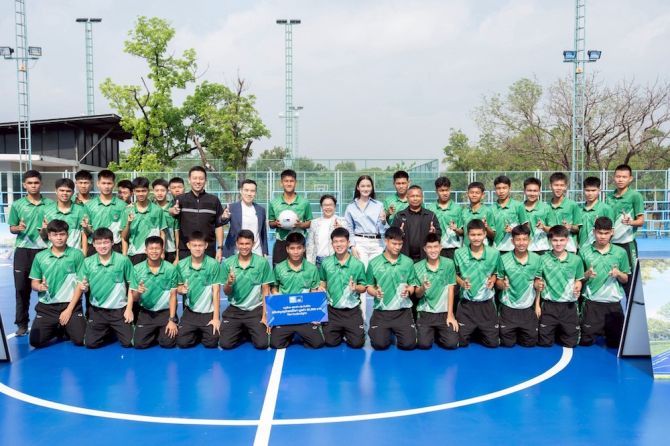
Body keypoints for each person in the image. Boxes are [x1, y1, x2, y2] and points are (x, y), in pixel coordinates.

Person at [76, 228, 138, 348]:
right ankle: (108, 329)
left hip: (119, 310)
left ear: (112, 242)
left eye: (106, 242)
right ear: (93, 244)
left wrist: (129, 309)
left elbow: (132, 285)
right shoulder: (87, 262)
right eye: (99, 243)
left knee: (129, 342)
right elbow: (84, 286)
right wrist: (84, 288)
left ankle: (114, 328)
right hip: (97, 311)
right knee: (90, 343)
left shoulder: (123, 260)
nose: (102, 246)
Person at [8, 170, 54, 336]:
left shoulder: (50, 204)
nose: (33, 186)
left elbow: (54, 229)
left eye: (36, 182)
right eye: (30, 183)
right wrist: (18, 228)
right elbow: (12, 228)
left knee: (49, 287)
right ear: (24, 185)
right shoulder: (18, 205)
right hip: (23, 251)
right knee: (21, 289)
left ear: (41, 184)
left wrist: (46, 229)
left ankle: (52, 322)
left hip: (44, 250)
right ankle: (22, 324)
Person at [28, 219, 86, 347]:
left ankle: (66, 325)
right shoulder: (40, 257)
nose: (59, 238)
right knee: (36, 341)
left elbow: (80, 284)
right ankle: (58, 327)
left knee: (80, 339)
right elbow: (34, 283)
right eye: (55, 235)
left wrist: (69, 310)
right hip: (47, 307)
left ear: (67, 235)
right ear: (49, 236)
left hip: (71, 305)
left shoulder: (77, 255)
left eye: (62, 234)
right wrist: (40, 287)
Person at [579, 217, 630, 348]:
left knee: (616, 344)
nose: (602, 236)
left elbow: (625, 279)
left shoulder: (621, 252)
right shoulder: (584, 252)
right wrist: (586, 275)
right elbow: (578, 279)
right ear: (594, 232)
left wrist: (618, 274)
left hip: (613, 305)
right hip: (592, 304)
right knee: (585, 342)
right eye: (599, 233)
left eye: (606, 233)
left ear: (612, 232)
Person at [365, 227, 419, 350]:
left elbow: (412, 285)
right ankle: (384, 330)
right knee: (379, 345)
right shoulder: (374, 263)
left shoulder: (408, 262)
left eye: (400, 244)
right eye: (394, 243)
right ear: (386, 241)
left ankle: (396, 329)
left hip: (402, 312)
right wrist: (375, 292)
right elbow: (369, 287)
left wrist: (408, 291)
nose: (397, 247)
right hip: (381, 312)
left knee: (409, 345)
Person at [269, 232, 325, 349]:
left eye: (299, 248)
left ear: (304, 249)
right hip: (285, 315)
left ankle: (300, 333)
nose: (296, 252)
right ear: (287, 249)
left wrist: (315, 314)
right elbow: (274, 287)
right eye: (292, 248)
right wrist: (275, 294)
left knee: (317, 343)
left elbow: (314, 291)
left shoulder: (312, 269)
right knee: (275, 344)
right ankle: (291, 334)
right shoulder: (279, 268)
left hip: (304, 315)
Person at [219, 230, 274, 350]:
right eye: (241, 244)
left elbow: (266, 291)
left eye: (247, 243)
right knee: (225, 344)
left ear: (253, 244)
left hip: (255, 310)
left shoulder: (262, 263)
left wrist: (265, 316)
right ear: (236, 244)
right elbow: (227, 292)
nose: (244, 247)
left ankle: (246, 328)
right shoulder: (228, 263)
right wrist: (229, 283)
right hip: (235, 310)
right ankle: (243, 329)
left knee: (262, 344)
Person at [535, 225, 584, 348]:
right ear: (549, 241)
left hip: (569, 306)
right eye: (555, 240)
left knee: (571, 343)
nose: (558, 243)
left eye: (562, 240)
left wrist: (578, 286)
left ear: (567, 240)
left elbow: (579, 280)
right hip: (549, 305)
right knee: (544, 343)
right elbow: (538, 283)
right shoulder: (542, 259)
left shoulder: (576, 260)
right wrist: (537, 305)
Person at [453, 219, 500, 348]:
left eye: (479, 234)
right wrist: (462, 283)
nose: (476, 238)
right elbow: (454, 274)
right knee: (461, 342)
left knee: (493, 343)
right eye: (473, 235)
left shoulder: (494, 253)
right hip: (467, 304)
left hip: (487, 303)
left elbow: (496, 273)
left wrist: (492, 280)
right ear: (468, 235)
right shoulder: (458, 253)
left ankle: (481, 329)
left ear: (485, 234)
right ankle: (473, 328)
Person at [319, 227, 367, 348]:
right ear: (332, 244)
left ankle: (350, 329)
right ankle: (341, 330)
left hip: (352, 311)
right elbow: (323, 281)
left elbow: (364, 287)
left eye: (342, 241)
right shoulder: (326, 263)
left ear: (348, 243)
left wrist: (356, 287)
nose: (339, 244)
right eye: (335, 242)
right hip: (333, 311)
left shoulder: (358, 264)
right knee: (330, 342)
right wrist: (321, 287)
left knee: (357, 344)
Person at [495, 225, 543, 347]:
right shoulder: (503, 258)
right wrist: (503, 285)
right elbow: (498, 282)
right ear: (512, 241)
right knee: (507, 343)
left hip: (528, 307)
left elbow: (537, 282)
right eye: (518, 240)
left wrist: (537, 305)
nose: (521, 243)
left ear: (529, 240)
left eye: (524, 239)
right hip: (508, 307)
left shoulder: (537, 259)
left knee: (530, 343)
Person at [176, 231, 222, 348]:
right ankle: (196, 330)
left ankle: (201, 330)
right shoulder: (181, 265)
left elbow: (216, 292)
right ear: (188, 246)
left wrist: (216, 318)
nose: (197, 248)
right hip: (190, 312)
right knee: (182, 342)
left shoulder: (213, 264)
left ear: (206, 245)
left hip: (208, 312)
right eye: (194, 245)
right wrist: (181, 290)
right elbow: (178, 288)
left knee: (212, 342)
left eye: (200, 245)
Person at [132, 236, 180, 349]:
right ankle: (155, 331)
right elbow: (134, 298)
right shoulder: (137, 269)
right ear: (146, 250)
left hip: (165, 313)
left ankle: (161, 331)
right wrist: (138, 292)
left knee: (168, 343)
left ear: (162, 250)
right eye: (151, 248)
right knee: (139, 344)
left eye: (157, 248)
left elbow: (173, 296)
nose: (154, 251)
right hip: (146, 313)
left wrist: (172, 319)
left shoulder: (171, 269)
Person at [169, 166, 225, 261]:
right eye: (194, 178)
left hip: (208, 249)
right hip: (185, 249)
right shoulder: (180, 199)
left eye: (201, 178)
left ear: (205, 180)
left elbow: (219, 225)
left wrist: (220, 248)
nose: (198, 181)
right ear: (189, 180)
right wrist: (172, 211)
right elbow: (172, 211)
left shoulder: (214, 200)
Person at [414, 233, 459, 350]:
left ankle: (438, 332)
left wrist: (450, 315)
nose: (433, 250)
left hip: (443, 313)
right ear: (424, 249)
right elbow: (417, 294)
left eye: (435, 246)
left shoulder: (449, 264)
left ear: (440, 247)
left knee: (451, 343)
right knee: (424, 344)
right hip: (425, 313)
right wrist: (423, 288)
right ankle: (429, 332)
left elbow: (451, 289)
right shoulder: (417, 267)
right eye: (429, 247)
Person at [268, 169, 313, 266]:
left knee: (300, 271)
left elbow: (309, 223)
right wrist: (276, 223)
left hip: (298, 243)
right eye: (286, 181)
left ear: (295, 182)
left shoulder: (304, 202)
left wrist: (300, 225)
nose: (289, 184)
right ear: (281, 183)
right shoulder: (274, 203)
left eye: (291, 181)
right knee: (278, 271)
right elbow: (270, 223)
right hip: (281, 242)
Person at [606, 164, 645, 273]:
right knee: (612, 274)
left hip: (628, 243)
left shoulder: (635, 196)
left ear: (630, 178)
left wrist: (630, 222)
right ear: (614, 177)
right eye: (618, 176)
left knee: (632, 274)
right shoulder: (609, 197)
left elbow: (641, 221)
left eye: (624, 177)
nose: (620, 179)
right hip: (611, 243)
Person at [121, 177, 167, 265]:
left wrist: (162, 252)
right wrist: (128, 223)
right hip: (134, 253)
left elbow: (162, 233)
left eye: (143, 191)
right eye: (138, 191)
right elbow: (123, 237)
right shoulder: (127, 211)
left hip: (153, 253)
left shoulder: (157, 210)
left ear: (148, 191)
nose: (141, 194)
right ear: (133, 192)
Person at [344, 175, 387, 267]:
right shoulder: (350, 207)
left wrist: (383, 221)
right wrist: (352, 246)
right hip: (359, 243)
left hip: (377, 243)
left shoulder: (379, 205)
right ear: (358, 187)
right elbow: (349, 229)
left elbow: (382, 229)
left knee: (376, 271)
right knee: (362, 270)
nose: (366, 189)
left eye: (368, 186)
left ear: (372, 188)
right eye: (363, 186)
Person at [84, 169, 128, 256]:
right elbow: (85, 233)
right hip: (95, 246)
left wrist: (124, 254)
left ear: (114, 184)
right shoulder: (89, 205)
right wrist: (84, 254)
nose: (106, 186)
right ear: (98, 184)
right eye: (103, 183)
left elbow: (124, 233)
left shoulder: (123, 205)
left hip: (115, 246)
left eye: (109, 183)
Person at [391, 185, 441, 262]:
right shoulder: (399, 216)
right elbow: (391, 236)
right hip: (404, 257)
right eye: (412, 196)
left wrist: (434, 233)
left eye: (418, 196)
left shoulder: (431, 215)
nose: (415, 198)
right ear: (407, 198)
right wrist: (398, 233)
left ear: (422, 198)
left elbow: (439, 234)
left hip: (425, 257)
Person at [220, 179, 269, 259]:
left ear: (255, 193)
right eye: (246, 190)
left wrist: (265, 251)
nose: (249, 194)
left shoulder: (261, 210)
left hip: (256, 251)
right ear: (241, 191)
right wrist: (223, 217)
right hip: (236, 252)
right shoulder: (232, 207)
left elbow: (263, 232)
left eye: (252, 191)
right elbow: (221, 222)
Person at [41, 178, 89, 252]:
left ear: (73, 192)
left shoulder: (81, 210)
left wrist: (84, 255)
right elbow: (43, 236)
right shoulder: (46, 210)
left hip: (74, 253)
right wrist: (44, 229)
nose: (65, 193)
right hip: (53, 254)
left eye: (68, 191)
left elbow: (84, 235)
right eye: (62, 190)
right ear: (56, 191)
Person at [426, 176, 462, 259]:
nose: (445, 193)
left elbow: (462, 232)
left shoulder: (457, 208)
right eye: (441, 190)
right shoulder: (430, 209)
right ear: (436, 191)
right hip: (435, 248)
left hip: (453, 248)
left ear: (450, 190)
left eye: (447, 190)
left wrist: (456, 229)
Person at [306, 194, 346, 267]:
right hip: (318, 261)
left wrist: (341, 229)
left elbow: (347, 241)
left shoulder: (342, 221)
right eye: (325, 205)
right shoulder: (314, 223)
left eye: (330, 205)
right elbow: (310, 244)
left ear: (335, 206)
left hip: (335, 261)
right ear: (321, 207)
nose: (328, 207)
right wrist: (310, 263)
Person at [492, 175, 528, 252]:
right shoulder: (490, 209)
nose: (501, 191)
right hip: (496, 248)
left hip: (514, 248)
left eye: (504, 188)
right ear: (495, 189)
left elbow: (526, 229)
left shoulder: (518, 206)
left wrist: (514, 231)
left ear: (509, 188)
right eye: (498, 188)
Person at [547, 172, 581, 253]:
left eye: (561, 185)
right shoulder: (546, 207)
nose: (559, 188)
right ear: (550, 186)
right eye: (556, 185)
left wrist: (570, 227)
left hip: (569, 248)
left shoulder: (573, 205)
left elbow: (578, 229)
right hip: (551, 249)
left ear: (566, 187)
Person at [522, 177, 555, 255]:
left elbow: (554, 230)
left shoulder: (546, 208)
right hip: (523, 248)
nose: (532, 193)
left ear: (539, 192)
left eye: (535, 191)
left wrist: (543, 227)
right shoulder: (518, 208)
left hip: (542, 249)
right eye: (529, 190)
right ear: (524, 191)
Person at [579, 176, 615, 248]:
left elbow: (611, 232)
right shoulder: (579, 209)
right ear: (583, 190)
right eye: (587, 190)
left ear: (599, 190)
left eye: (593, 190)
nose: (590, 193)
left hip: (599, 249)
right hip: (582, 249)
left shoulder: (606, 209)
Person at [152, 178, 180, 264]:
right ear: (153, 191)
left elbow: (177, 234)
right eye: (157, 190)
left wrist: (177, 256)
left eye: (162, 190)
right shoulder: (150, 207)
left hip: (170, 251)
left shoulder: (174, 208)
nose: (159, 193)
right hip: (153, 251)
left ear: (167, 191)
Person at [461, 182, 496, 247]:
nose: (474, 195)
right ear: (467, 194)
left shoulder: (488, 211)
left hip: (483, 249)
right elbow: (462, 232)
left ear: (482, 195)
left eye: (477, 193)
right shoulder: (464, 212)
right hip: (467, 248)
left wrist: (486, 227)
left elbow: (493, 235)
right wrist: (456, 229)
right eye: (471, 192)